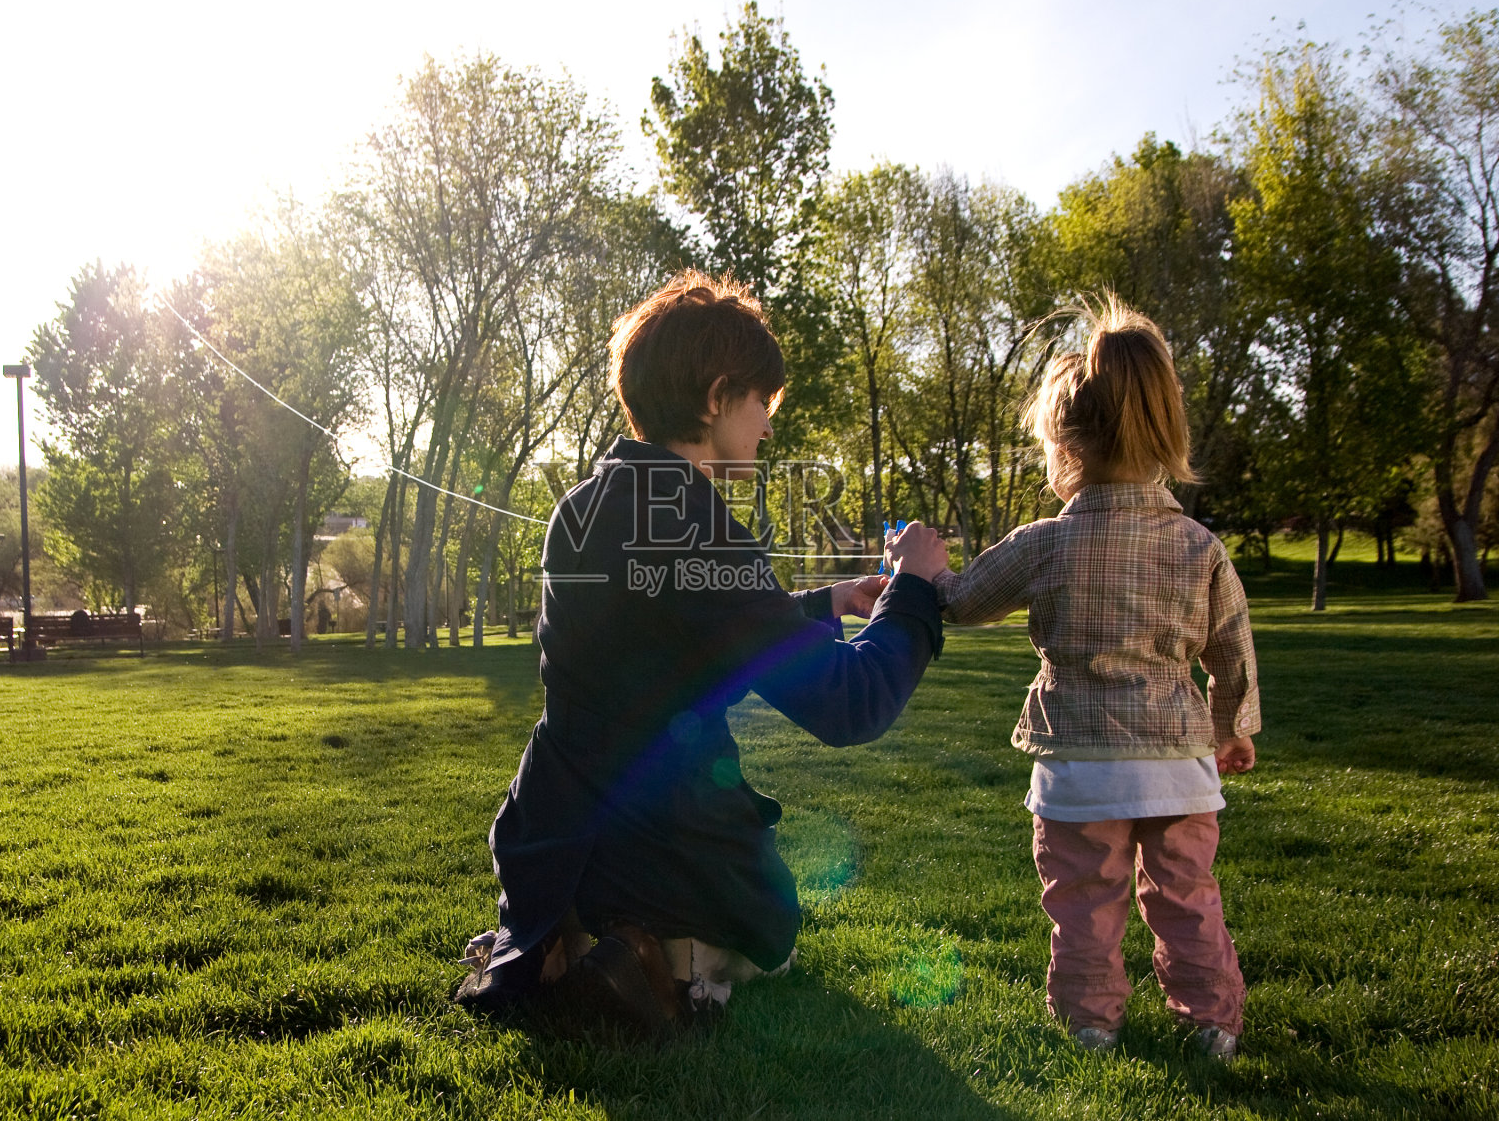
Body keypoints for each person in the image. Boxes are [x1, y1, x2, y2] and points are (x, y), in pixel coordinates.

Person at [456, 269, 949, 1031]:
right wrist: (913, 588)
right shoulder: (694, 522)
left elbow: (673, 645)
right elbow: (852, 704)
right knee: (776, 936)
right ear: (718, 396)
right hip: (663, 844)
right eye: (763, 404)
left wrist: (822, 604)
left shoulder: (584, 506)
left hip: (551, 835)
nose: (769, 426)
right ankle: (664, 959)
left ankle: (556, 933)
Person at [931, 294, 1260, 1059]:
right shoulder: (1196, 545)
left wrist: (923, 576)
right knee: (1186, 897)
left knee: (1084, 903)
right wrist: (1231, 727)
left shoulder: (1045, 542)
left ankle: (1091, 1023)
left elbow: (965, 602)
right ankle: (1210, 1020)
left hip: (1080, 769)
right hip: (1178, 765)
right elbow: (1232, 648)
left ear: (1067, 443)